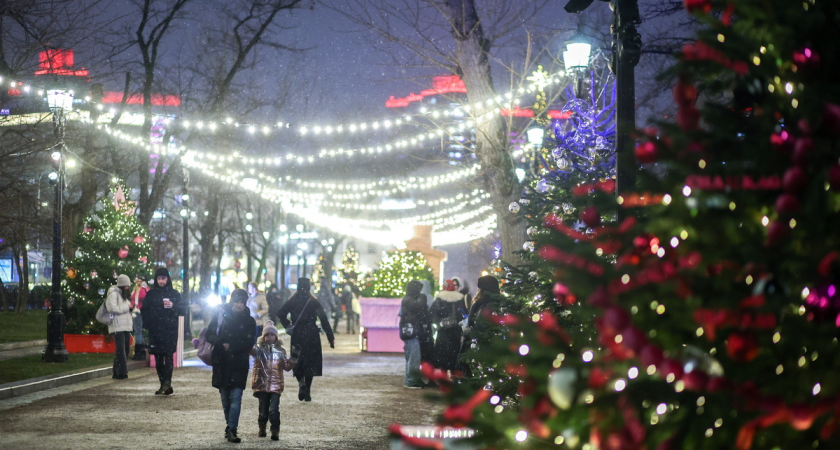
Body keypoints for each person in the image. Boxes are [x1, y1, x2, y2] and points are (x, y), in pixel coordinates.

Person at [207, 289, 256, 444]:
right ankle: (229, 425)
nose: (239, 305)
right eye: (236, 301)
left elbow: (249, 342)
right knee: (225, 398)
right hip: (222, 361)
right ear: (232, 301)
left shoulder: (249, 321)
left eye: (242, 302)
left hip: (239, 362)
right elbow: (209, 334)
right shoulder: (221, 315)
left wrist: (232, 346)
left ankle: (232, 429)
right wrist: (220, 344)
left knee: (235, 397)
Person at [276, 277, 335, 402]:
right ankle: (307, 390)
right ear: (309, 287)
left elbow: (280, 313)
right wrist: (330, 337)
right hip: (312, 334)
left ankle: (301, 382)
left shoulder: (292, 300)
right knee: (310, 362)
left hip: (297, 334)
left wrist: (288, 325)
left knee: (297, 360)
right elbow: (324, 319)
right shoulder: (313, 301)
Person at [250, 320, 299, 441]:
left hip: (276, 385)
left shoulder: (281, 351)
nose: (269, 337)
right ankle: (262, 427)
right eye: (267, 335)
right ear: (263, 337)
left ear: (276, 337)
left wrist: (294, 358)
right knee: (263, 410)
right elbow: (250, 349)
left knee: (274, 410)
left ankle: (275, 430)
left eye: (272, 335)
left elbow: (286, 367)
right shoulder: (259, 350)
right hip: (261, 385)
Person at [141, 267, 185, 395]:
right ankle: (163, 383)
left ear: (167, 279)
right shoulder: (151, 294)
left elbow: (182, 310)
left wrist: (173, 306)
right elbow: (144, 310)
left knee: (168, 356)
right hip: (155, 330)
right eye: (159, 278)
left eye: (163, 278)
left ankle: (167, 383)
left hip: (169, 330)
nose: (161, 281)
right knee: (158, 358)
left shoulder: (174, 294)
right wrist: (148, 324)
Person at [459, 275, 501, 375]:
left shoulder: (482, 306)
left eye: (479, 288)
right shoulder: (498, 304)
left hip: (478, 348)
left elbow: (479, 326)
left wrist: (468, 330)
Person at [429, 279, 469, 373]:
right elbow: (463, 314)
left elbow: (433, 313)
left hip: (443, 330)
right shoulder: (460, 298)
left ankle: (443, 373)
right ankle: (454, 372)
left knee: (442, 352)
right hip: (456, 330)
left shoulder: (440, 298)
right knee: (454, 352)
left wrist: (439, 324)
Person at [399, 280, 431, 389]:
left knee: (412, 357)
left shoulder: (408, 298)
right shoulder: (409, 299)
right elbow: (419, 307)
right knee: (414, 357)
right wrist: (423, 298)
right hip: (411, 333)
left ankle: (412, 379)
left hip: (410, 332)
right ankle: (411, 381)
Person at [107, 274, 134, 379]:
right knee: (121, 350)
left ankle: (117, 372)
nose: (127, 288)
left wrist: (131, 308)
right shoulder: (113, 294)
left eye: (128, 286)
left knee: (124, 349)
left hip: (125, 326)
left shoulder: (125, 295)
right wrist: (127, 307)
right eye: (125, 286)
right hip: (117, 326)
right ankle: (122, 373)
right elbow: (112, 308)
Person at [130, 275, 149, 361]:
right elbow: (132, 299)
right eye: (138, 281)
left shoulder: (144, 289)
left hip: (139, 311)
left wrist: (143, 288)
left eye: (141, 281)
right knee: (137, 331)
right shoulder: (135, 290)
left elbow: (142, 297)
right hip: (135, 311)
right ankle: (140, 351)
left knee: (138, 332)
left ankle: (140, 352)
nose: (139, 283)